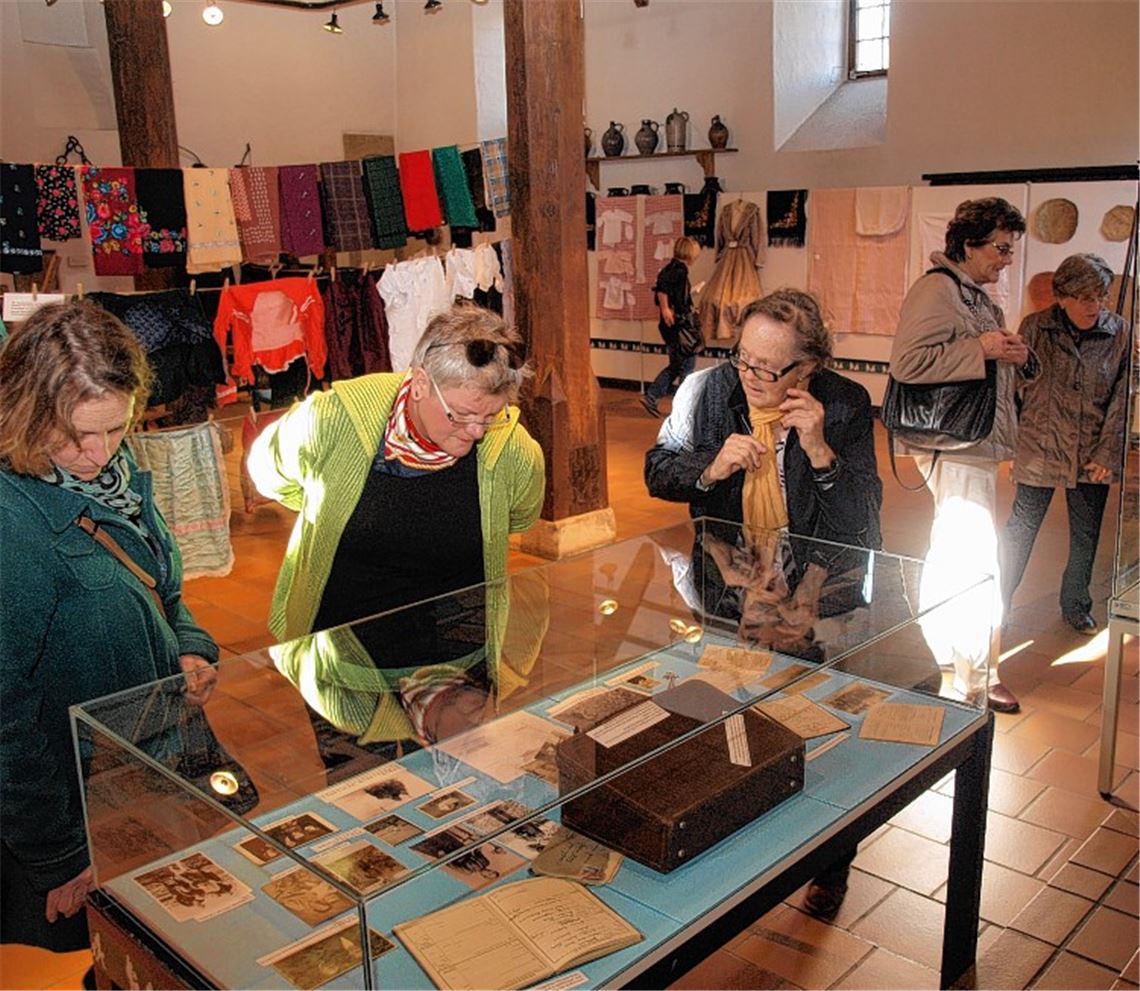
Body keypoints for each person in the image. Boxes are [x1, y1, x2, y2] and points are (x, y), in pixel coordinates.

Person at [644, 288, 882, 920]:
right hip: (728, 592)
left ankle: (831, 863)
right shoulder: (707, 391)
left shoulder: (847, 404)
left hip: (818, 599)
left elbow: (860, 522)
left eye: (768, 368)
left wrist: (822, 453)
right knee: (729, 727)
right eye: (742, 357)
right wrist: (710, 467)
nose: (748, 376)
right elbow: (657, 472)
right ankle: (740, 859)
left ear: (808, 369)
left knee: (824, 737)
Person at [0, 302, 218, 961]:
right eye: (73, 436)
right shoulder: (14, 518)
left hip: (139, 773)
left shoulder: (118, 480)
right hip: (76, 803)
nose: (96, 454)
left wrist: (189, 642)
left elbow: (158, 585)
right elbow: (3, 712)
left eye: (115, 429)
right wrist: (60, 852)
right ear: (27, 412)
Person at [248, 303, 545, 749]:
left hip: (457, 647)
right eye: (461, 415)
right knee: (365, 793)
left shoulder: (513, 450)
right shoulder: (332, 421)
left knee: (463, 781)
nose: (477, 432)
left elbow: (521, 514)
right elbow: (269, 472)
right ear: (421, 383)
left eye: (490, 416)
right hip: (345, 649)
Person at [889, 197, 1037, 714]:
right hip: (954, 444)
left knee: (962, 554)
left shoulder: (972, 294)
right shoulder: (938, 289)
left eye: (1010, 248)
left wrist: (1011, 355)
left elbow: (974, 359)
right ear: (968, 244)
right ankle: (966, 668)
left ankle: (961, 663)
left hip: (971, 443)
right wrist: (986, 350)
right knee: (970, 560)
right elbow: (908, 363)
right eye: (1000, 247)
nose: (1006, 258)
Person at [1001, 253, 1130, 634]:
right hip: (1039, 445)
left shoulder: (1119, 331)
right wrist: (1012, 446)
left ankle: (1076, 605)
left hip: (1092, 450)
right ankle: (1000, 603)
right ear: (1063, 296)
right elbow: (1013, 390)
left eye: (1102, 296)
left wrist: (1108, 452)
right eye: (1086, 297)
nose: (1096, 305)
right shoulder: (1035, 327)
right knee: (1020, 529)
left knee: (1086, 533)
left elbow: (1122, 398)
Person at [642, 235, 701, 418]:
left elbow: (669, 291)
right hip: (679, 326)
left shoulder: (672, 268)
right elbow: (662, 288)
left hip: (673, 326)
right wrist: (666, 308)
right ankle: (683, 407)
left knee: (677, 365)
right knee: (687, 367)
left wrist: (691, 292)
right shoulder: (679, 270)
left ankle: (653, 396)